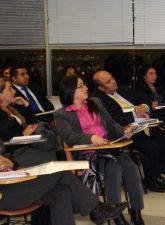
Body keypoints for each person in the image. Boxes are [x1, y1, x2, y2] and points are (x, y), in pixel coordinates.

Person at [54, 75, 145, 225]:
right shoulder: (61, 114)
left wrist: (124, 131)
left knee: (131, 167)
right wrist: (90, 138)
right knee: (113, 169)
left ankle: (136, 211)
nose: (86, 88)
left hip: (110, 147)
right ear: (71, 90)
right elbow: (68, 136)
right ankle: (115, 216)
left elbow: (111, 124)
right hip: (88, 154)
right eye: (81, 85)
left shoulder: (95, 102)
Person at [92, 70, 165, 193]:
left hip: (144, 127)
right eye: (108, 82)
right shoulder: (98, 99)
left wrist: (144, 106)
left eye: (112, 78)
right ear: (101, 88)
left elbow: (144, 98)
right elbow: (113, 119)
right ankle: (151, 181)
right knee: (152, 147)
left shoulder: (123, 90)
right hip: (126, 132)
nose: (113, 82)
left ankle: (157, 174)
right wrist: (135, 114)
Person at [0, 144, 127, 225]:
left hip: (12, 183)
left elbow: (8, 157)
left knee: (61, 190)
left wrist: (10, 163)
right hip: (4, 194)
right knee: (60, 173)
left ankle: (97, 210)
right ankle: (96, 209)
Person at [0, 77, 57, 167]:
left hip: (26, 145)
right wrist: (22, 134)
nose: (14, 91)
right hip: (14, 151)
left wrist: (26, 105)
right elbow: (4, 135)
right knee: (50, 157)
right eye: (10, 89)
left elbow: (34, 122)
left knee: (54, 151)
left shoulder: (12, 108)